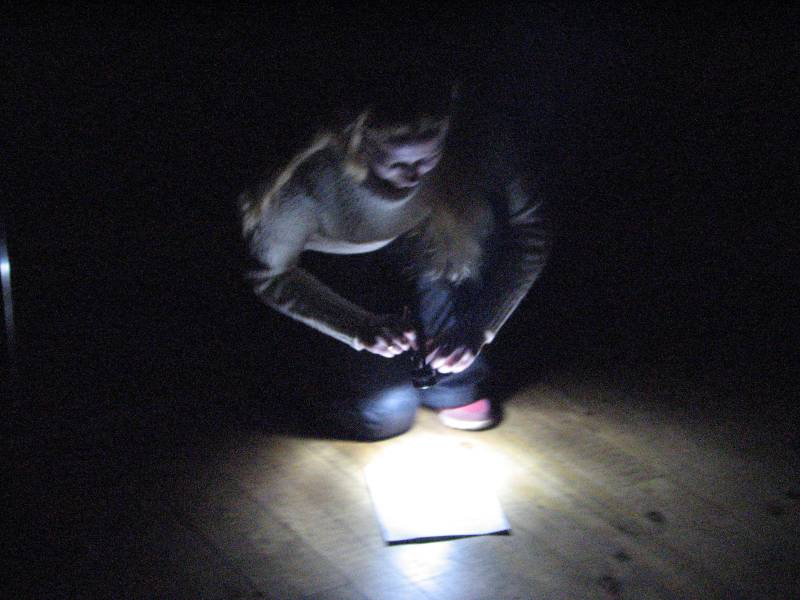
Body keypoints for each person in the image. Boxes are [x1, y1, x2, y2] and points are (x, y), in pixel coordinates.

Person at [238, 83, 550, 440]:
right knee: (385, 413)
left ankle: (449, 383)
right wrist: (356, 326)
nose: (415, 175)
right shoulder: (307, 181)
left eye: (428, 159)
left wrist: (481, 325)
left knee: (454, 384)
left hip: (427, 240)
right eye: (398, 163)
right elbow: (270, 276)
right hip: (326, 265)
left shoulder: (477, 137)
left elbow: (532, 229)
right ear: (358, 147)